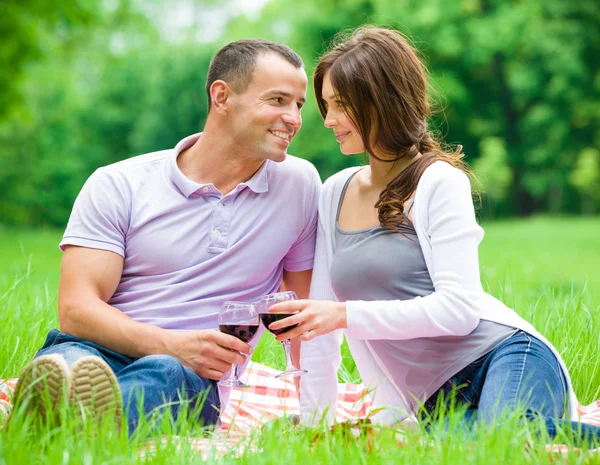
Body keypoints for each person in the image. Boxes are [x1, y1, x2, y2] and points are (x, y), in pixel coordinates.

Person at [266, 26, 600, 443]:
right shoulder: (334, 192)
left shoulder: (439, 181)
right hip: (435, 402)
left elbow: (458, 309)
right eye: (327, 105)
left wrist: (345, 314)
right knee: (465, 444)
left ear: (381, 103)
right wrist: (316, 427)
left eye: (342, 105)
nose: (329, 119)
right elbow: (321, 331)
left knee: (506, 437)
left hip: (502, 356)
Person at [12, 39, 320, 435]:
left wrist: (314, 405)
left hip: (190, 374)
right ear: (222, 96)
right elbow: (77, 309)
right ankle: (70, 416)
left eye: (299, 105)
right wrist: (170, 342)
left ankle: (52, 427)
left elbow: (301, 312)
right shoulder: (119, 183)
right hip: (94, 351)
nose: (293, 117)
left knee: (168, 375)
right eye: (278, 100)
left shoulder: (299, 185)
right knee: (69, 366)